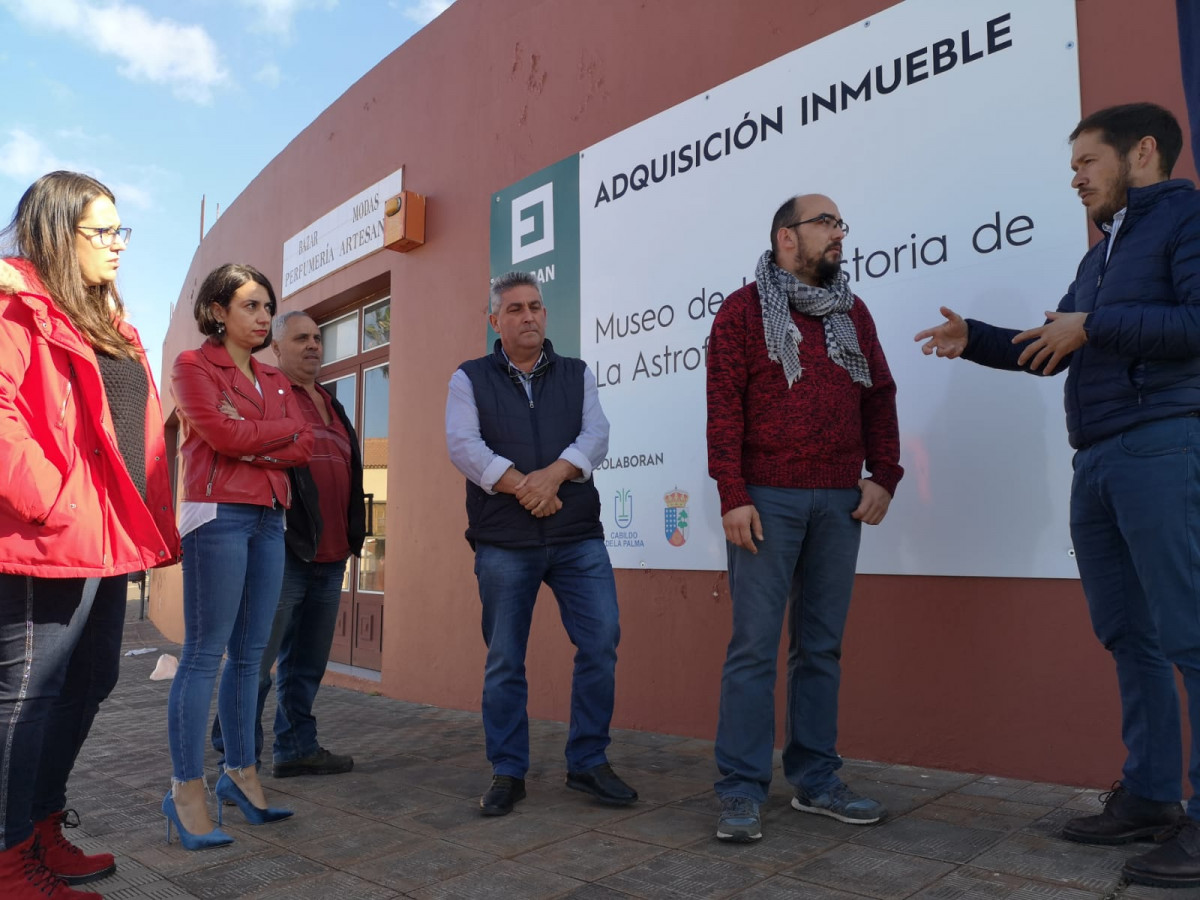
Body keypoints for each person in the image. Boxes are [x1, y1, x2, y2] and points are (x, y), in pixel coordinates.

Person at [915, 102, 1200, 889]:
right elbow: (1057, 344)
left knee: (1189, 633)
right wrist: (974, 338)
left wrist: (1096, 324)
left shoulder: (1186, 222)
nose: (1074, 179)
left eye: (1086, 163)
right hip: (1101, 459)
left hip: (1166, 446)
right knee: (1126, 633)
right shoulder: (1101, 255)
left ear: (1143, 152)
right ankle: (1150, 796)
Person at [0, 171, 180, 898]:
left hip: (111, 536)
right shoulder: (14, 309)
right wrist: (56, 501)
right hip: (50, 536)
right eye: (100, 232)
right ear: (54, 232)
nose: (116, 245)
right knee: (29, 693)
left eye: (119, 231)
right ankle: (8, 860)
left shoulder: (106, 318)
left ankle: (39, 827)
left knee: (89, 682)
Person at [706, 194, 903, 842]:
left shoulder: (853, 312)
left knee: (820, 648)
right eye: (828, 223)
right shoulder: (741, 312)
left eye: (842, 223)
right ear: (787, 238)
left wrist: (885, 476)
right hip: (767, 500)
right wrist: (732, 493)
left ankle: (816, 780)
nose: (841, 233)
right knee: (755, 649)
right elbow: (723, 408)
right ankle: (739, 789)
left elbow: (879, 395)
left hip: (839, 502)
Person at [445, 270, 637, 816]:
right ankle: (508, 770)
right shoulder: (469, 378)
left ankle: (588, 763)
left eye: (535, 307)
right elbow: (463, 445)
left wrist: (552, 477)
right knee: (506, 658)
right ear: (494, 321)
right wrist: (525, 487)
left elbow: (595, 437)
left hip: (576, 536)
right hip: (504, 541)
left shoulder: (577, 374)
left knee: (600, 642)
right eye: (515, 309)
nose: (528, 316)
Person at [166, 264, 314, 849]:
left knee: (251, 657)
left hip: (269, 518)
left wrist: (252, 436)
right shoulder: (192, 365)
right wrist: (262, 437)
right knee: (204, 654)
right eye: (251, 306)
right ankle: (185, 789)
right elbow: (221, 439)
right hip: (217, 514)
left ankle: (241, 774)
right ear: (218, 309)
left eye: (266, 308)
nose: (262, 318)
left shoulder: (277, 380)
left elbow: (305, 445)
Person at [211, 310, 364, 777]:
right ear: (277, 347)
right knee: (254, 660)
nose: (314, 345)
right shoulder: (268, 394)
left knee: (305, 664)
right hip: (283, 548)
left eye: (318, 338)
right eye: (301, 338)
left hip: (332, 553)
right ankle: (235, 757)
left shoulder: (332, 404)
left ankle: (297, 747)